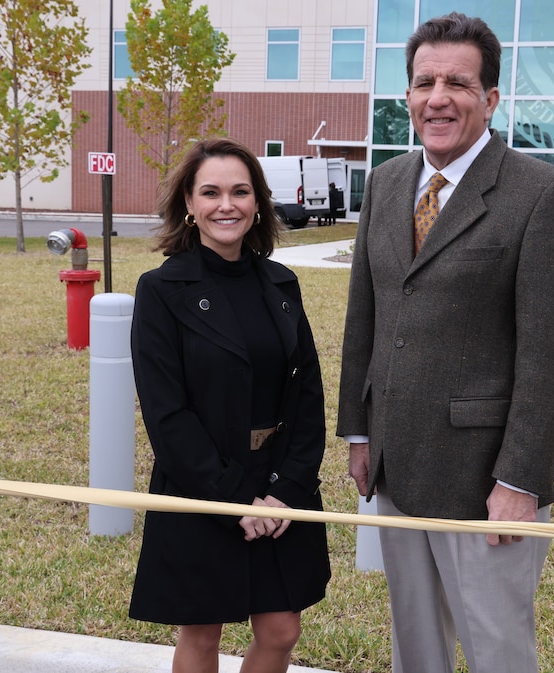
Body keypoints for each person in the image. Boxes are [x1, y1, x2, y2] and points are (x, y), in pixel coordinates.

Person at [336, 13, 554, 673]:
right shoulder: (388, 182)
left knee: (497, 650)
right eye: (424, 82)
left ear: (490, 98)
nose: (437, 97)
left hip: (485, 484)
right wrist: (359, 433)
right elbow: (365, 314)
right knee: (413, 649)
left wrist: (520, 479)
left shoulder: (542, 194)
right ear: (409, 95)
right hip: (395, 466)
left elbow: (551, 355)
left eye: (458, 83)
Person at [129, 138, 330, 673]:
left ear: (258, 202)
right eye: (211, 192)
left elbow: (307, 394)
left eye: (240, 191)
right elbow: (165, 414)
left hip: (280, 485)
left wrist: (286, 491)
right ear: (189, 205)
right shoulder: (160, 291)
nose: (227, 205)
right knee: (202, 631)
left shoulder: (282, 284)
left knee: (282, 631)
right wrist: (236, 499)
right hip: (203, 482)